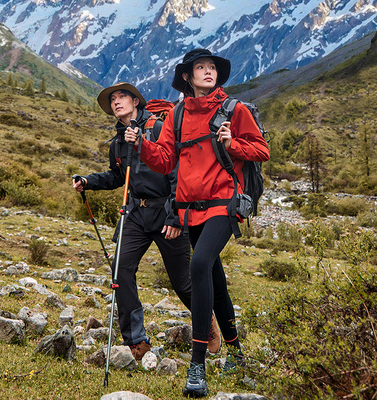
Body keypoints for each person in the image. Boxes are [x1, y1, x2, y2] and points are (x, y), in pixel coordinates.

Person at [125, 50, 270, 397]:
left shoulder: (235, 110)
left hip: (224, 203)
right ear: (188, 77)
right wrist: (142, 144)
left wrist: (232, 144)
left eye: (212, 68)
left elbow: (261, 149)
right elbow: (164, 161)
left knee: (200, 265)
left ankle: (197, 365)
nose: (208, 72)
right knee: (215, 279)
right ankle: (236, 352)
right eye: (200, 68)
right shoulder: (176, 115)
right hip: (191, 210)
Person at [73, 82, 221, 361]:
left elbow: (180, 171)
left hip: (167, 212)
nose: (117, 102)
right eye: (113, 99)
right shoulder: (118, 141)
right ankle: (136, 341)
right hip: (135, 214)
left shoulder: (158, 128)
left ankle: (206, 324)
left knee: (184, 284)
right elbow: (117, 177)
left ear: (136, 101)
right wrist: (88, 181)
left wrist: (177, 214)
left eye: (122, 97)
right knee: (120, 271)